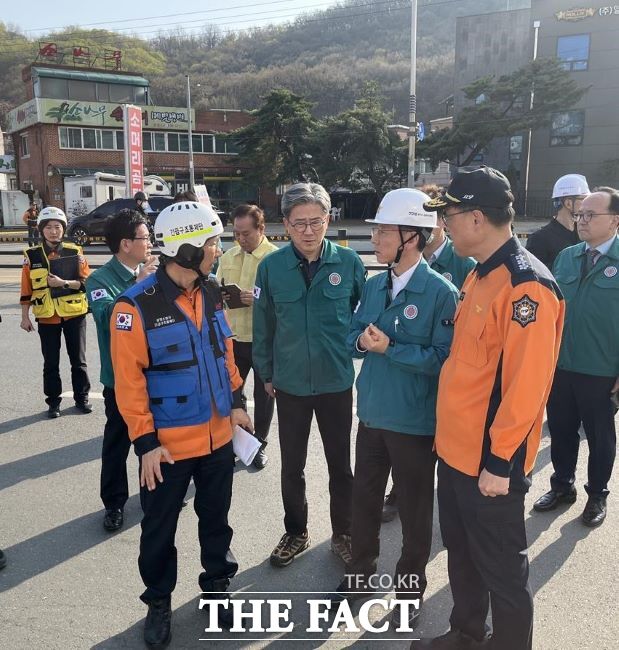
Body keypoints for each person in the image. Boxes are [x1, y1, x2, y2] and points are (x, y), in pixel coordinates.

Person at [419, 167, 565, 650]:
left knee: (502, 572)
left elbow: (526, 387)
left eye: (448, 215)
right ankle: (466, 634)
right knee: (462, 555)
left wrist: (500, 462)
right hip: (455, 452)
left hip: (489, 463)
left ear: (476, 218)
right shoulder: (480, 273)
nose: (443, 225)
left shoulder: (527, 286)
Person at [110, 201, 252, 648]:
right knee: (158, 530)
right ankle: (158, 601)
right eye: (211, 242)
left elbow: (223, 351)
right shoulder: (135, 305)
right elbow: (128, 383)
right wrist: (146, 443)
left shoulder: (210, 291)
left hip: (218, 438)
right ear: (188, 250)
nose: (218, 249)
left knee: (216, 519)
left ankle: (217, 586)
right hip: (167, 448)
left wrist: (237, 402)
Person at [332, 189, 458, 627]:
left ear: (411, 237)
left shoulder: (441, 292)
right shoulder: (374, 284)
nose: (375, 238)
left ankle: (409, 590)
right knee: (364, 502)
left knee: (415, 512)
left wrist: (390, 348)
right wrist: (361, 342)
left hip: (414, 423)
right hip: (371, 415)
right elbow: (350, 334)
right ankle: (359, 576)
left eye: (383, 231)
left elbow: (444, 360)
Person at [253, 182, 366, 568]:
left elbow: (361, 316)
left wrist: (353, 349)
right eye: (299, 223)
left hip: (336, 382)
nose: (308, 231)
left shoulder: (348, 263)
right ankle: (296, 531)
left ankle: (344, 533)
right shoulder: (271, 268)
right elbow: (263, 326)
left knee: (340, 465)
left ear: (328, 220)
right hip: (290, 384)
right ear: (285, 223)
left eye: (316, 221)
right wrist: (267, 373)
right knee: (292, 466)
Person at [382, 185, 476, 524]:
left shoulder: (464, 263)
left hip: (448, 372)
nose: (435, 224)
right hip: (406, 378)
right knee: (405, 446)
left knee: (441, 448)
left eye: (438, 216)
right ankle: (399, 492)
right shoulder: (397, 266)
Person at [533, 187, 619, 528]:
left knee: (600, 437)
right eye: (580, 214)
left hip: (602, 369)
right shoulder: (567, 257)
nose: (581, 220)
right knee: (562, 430)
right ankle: (561, 486)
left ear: (615, 221)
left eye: (591, 215)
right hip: (561, 364)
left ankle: (597, 494)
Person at [85, 209, 158, 532]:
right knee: (117, 444)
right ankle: (114, 503)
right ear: (126, 244)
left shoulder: (154, 272)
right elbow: (106, 318)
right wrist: (138, 286)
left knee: (153, 439)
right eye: (145, 238)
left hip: (154, 374)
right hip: (120, 379)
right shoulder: (99, 280)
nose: (150, 243)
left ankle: (153, 494)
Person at [216, 204, 278, 469]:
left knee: (264, 397)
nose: (240, 239)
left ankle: (259, 444)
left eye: (246, 234)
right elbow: (216, 286)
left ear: (261, 229)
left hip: (263, 340)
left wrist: (259, 300)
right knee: (233, 394)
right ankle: (238, 442)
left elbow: (284, 302)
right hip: (233, 338)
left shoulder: (275, 259)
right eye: (236, 234)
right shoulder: (228, 256)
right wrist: (220, 294)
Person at [20, 207, 92, 418]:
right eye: (49, 227)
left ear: (63, 229)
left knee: (78, 360)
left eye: (57, 227)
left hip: (74, 314)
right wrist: (24, 317)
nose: (53, 231)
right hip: (47, 316)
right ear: (41, 230)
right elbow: (26, 289)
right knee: (50, 362)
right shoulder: (31, 256)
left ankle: (82, 398)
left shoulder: (75, 251)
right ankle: (53, 402)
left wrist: (64, 283)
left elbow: (86, 282)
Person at [526, 174, 589, 269]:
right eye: (584, 199)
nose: (587, 204)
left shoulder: (584, 232)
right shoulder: (539, 239)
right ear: (568, 203)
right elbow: (535, 273)